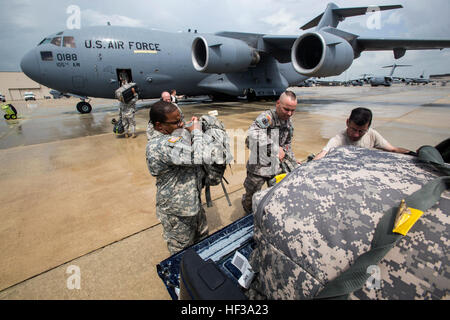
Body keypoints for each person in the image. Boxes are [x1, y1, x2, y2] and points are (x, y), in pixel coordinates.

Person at [146, 100, 209, 255]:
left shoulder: (171, 134)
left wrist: (187, 126)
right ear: (159, 126)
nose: (180, 124)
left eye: (181, 119)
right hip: (177, 210)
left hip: (191, 202)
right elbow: (199, 156)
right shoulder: (159, 145)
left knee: (202, 240)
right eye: (176, 122)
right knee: (181, 250)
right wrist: (196, 131)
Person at [241, 90, 300, 214]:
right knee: (251, 197)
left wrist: (292, 161)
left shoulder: (289, 123)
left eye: (293, 110)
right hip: (258, 168)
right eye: (286, 109)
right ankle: (247, 217)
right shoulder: (267, 117)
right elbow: (253, 133)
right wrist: (274, 147)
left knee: (274, 196)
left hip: (275, 167)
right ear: (278, 103)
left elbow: (287, 145)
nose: (289, 114)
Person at [313, 107, 413, 160]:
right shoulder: (338, 139)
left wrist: (414, 154)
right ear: (347, 122)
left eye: (361, 131)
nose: (356, 134)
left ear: (368, 127)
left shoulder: (372, 134)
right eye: (353, 129)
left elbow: (393, 149)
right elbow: (322, 154)